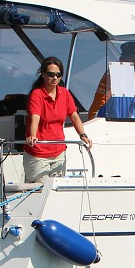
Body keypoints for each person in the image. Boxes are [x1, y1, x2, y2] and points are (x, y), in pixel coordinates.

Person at [25, 56, 92, 184]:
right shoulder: (37, 94)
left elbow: (74, 116)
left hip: (58, 152)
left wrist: (83, 135)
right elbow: (35, 117)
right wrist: (32, 135)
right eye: (50, 74)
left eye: (58, 74)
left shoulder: (64, 93)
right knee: (40, 189)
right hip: (38, 152)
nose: (55, 78)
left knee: (56, 188)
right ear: (43, 75)